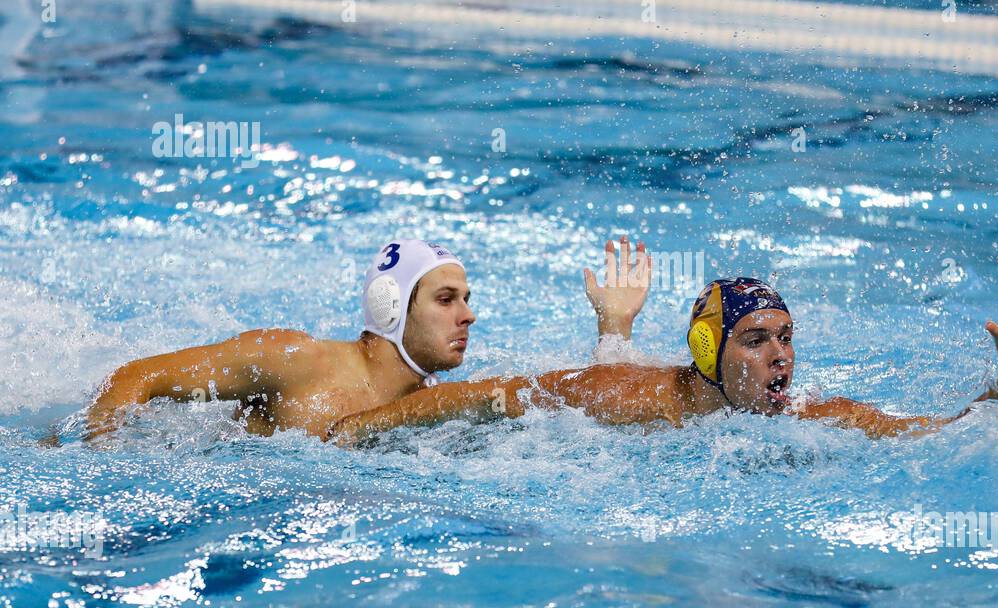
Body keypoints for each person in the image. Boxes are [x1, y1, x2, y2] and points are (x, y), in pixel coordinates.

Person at [326, 276, 998, 444]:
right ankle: (614, 324)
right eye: (757, 340)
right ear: (711, 352)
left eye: (786, 337)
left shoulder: (811, 414)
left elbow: (929, 435)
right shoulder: (634, 399)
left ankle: (615, 320)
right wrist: (364, 427)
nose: (781, 357)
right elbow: (487, 396)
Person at [84, 235, 652, 441]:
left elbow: (578, 407)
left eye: (468, 299)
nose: (469, 317)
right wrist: (104, 466)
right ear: (390, 306)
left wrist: (615, 330)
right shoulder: (294, 359)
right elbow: (134, 378)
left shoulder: (430, 409)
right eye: (446, 299)